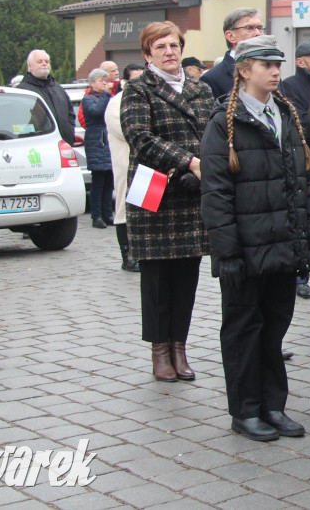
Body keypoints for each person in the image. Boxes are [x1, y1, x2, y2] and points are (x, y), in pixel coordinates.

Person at [200, 35, 310, 442]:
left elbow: (300, 184)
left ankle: (273, 405)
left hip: (282, 248)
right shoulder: (225, 123)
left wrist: (308, 239)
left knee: (274, 328)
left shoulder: (285, 114)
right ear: (244, 70)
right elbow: (215, 194)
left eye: (277, 64)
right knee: (242, 330)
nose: (275, 71)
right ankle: (245, 410)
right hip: (245, 252)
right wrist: (227, 252)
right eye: (266, 65)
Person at [121, 21, 213, 383]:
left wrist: (205, 165)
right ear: (148, 54)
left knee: (187, 277)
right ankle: (160, 350)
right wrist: (189, 162)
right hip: (155, 192)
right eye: (160, 47)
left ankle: (180, 347)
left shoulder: (201, 88)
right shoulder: (137, 89)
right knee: (158, 279)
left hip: (193, 192)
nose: (169, 52)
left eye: (174, 45)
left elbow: (212, 133)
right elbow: (140, 138)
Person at [280, 40, 310, 300]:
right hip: (304, 162)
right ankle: (301, 277)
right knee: (302, 217)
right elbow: (302, 124)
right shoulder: (290, 85)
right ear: (300, 62)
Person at [105, 63, 145, 272]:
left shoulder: (148, 98)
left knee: (146, 208)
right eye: (135, 79)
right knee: (124, 210)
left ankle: (144, 253)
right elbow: (126, 130)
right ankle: (127, 255)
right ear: (125, 82)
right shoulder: (116, 102)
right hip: (126, 164)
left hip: (148, 165)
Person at [201, 8, 265, 99]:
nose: (258, 33)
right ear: (230, 36)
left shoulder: (270, 72)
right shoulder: (211, 79)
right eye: (249, 28)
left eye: (260, 28)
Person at [17, 49, 75, 145]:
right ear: (30, 66)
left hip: (63, 144)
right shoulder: (23, 90)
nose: (44, 64)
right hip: (37, 145)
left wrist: (69, 129)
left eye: (47, 61)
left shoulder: (58, 88)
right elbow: (21, 119)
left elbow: (70, 113)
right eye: (39, 61)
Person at [82, 69, 115, 229]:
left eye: (105, 80)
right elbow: (97, 112)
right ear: (92, 82)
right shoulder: (88, 99)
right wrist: (106, 95)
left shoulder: (107, 97)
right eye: (101, 80)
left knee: (109, 181)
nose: (104, 83)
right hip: (97, 143)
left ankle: (108, 213)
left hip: (108, 143)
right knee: (98, 181)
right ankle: (97, 216)